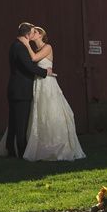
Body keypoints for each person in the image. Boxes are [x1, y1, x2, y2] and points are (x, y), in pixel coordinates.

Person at [20, 26, 86, 161]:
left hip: (48, 84)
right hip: (38, 83)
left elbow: (34, 58)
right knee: (39, 111)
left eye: (33, 32)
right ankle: (39, 144)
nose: (31, 35)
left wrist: (26, 44)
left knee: (50, 110)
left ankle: (57, 145)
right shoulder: (37, 49)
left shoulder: (47, 47)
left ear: (39, 34)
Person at [0, 21, 53, 158]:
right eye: (32, 32)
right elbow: (29, 66)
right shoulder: (20, 47)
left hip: (15, 89)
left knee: (13, 122)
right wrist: (46, 72)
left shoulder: (14, 45)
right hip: (21, 91)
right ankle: (21, 151)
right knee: (20, 123)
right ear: (28, 34)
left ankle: (10, 148)